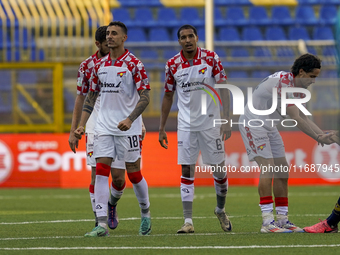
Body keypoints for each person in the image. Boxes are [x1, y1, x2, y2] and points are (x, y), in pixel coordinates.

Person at [238, 53, 336, 233]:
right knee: (268, 167)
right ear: (301, 72)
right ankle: (267, 222)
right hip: (253, 124)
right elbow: (296, 118)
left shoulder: (296, 88)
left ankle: (282, 220)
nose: (314, 81)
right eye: (312, 76)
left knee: (282, 169)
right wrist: (318, 137)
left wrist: (322, 134)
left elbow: (304, 116)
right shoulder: (284, 82)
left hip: (269, 126)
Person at [74, 21, 151, 237]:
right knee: (100, 172)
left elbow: (146, 97)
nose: (110, 36)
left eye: (114, 33)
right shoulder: (98, 66)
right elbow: (90, 97)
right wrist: (81, 125)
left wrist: (131, 119)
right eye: (108, 33)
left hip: (129, 128)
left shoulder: (135, 64)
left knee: (132, 175)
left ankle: (145, 214)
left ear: (124, 38)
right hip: (104, 128)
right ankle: (101, 224)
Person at [159, 24, 232, 233]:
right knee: (187, 169)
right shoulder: (172, 64)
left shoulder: (211, 58)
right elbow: (168, 95)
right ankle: (188, 221)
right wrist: (162, 127)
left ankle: (220, 209)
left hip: (211, 123)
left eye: (191, 36)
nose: (187, 40)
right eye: (183, 37)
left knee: (219, 171)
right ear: (179, 41)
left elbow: (223, 86)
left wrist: (227, 117)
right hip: (186, 125)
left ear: (197, 37)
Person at [68, 26, 134, 230]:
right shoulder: (88, 66)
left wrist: (136, 123)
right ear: (99, 44)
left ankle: (111, 204)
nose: (111, 42)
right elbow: (81, 97)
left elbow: (136, 94)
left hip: (121, 123)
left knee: (119, 179)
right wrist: (75, 129)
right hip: (96, 124)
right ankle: (100, 218)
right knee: (97, 173)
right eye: (107, 40)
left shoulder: (129, 63)